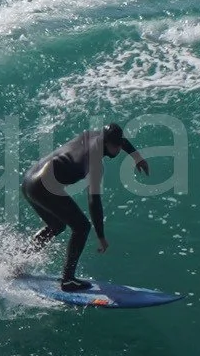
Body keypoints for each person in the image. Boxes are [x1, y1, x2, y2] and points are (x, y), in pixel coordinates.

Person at [21, 123, 151, 291]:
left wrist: (137, 157)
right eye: (116, 146)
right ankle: (68, 280)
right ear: (107, 143)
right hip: (42, 187)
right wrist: (101, 236)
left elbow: (121, 140)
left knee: (57, 226)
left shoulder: (93, 135)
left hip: (29, 180)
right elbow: (94, 202)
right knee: (82, 227)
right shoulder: (95, 163)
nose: (119, 149)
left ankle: (18, 262)